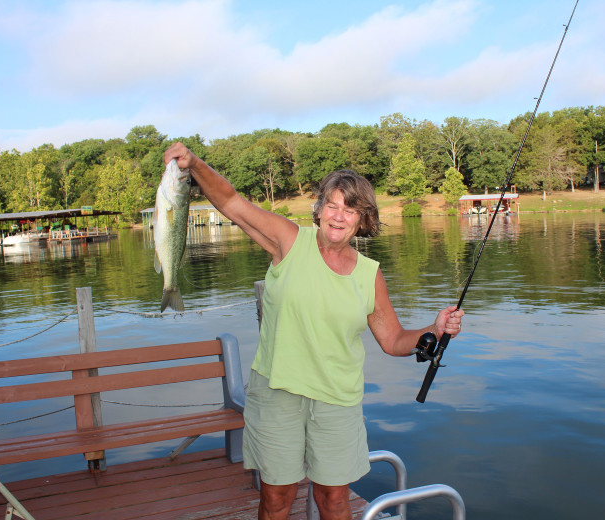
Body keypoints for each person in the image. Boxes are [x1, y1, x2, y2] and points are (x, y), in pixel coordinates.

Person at [164, 142, 464, 520]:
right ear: (320, 209)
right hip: (277, 393)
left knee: (334, 500)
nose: (339, 217)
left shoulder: (370, 273)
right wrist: (194, 165)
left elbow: (393, 341)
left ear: (362, 219)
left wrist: (434, 329)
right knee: (276, 499)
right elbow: (231, 202)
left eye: (350, 209)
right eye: (333, 206)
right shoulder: (288, 240)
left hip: (337, 400)